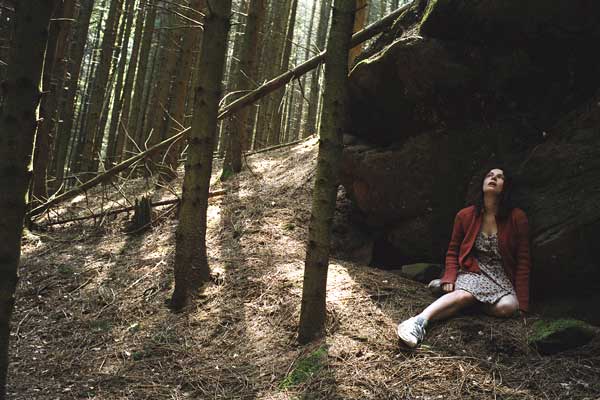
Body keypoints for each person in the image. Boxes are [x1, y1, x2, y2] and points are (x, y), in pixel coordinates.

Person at [397, 167, 531, 348]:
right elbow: (453, 251)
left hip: (500, 275)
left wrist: (522, 304)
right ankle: (418, 322)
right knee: (465, 294)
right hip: (473, 268)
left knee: (508, 307)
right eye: (490, 175)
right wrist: (451, 276)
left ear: (505, 186)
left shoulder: (517, 217)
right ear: (482, 182)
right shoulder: (465, 215)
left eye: (500, 177)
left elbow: (523, 261)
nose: (494, 178)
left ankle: (453, 295)